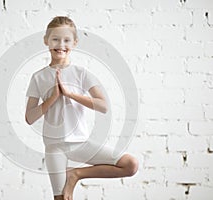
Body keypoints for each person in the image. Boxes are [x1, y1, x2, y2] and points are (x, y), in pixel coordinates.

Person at [25, 16, 138, 200]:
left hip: (80, 143)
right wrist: (53, 97)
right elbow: (30, 117)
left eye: (67, 40)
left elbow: (103, 106)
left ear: (75, 43)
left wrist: (69, 94)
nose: (60, 44)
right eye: (55, 39)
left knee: (130, 164)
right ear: (46, 40)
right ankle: (71, 177)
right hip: (54, 147)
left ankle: (76, 174)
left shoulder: (81, 74)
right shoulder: (39, 77)